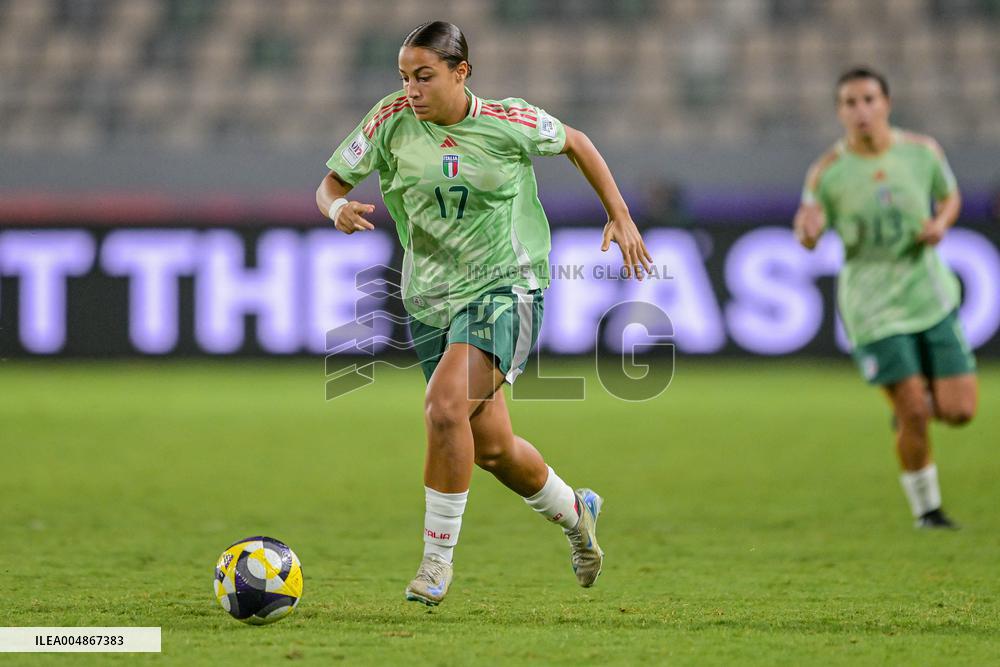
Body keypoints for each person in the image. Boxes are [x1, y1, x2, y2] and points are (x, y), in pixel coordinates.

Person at [316, 21, 652, 605]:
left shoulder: (508, 121)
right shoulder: (390, 120)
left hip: (507, 287)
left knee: (444, 407)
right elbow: (329, 185)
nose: (411, 90)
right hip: (429, 300)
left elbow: (577, 141)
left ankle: (435, 565)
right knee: (492, 448)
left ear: (459, 72)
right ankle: (578, 513)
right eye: (404, 77)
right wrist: (337, 208)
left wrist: (618, 214)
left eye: (424, 77)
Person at [794, 66, 977, 529]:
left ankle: (907, 411)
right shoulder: (828, 172)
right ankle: (928, 511)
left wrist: (941, 223)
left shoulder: (922, 152)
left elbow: (950, 196)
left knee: (959, 411)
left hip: (928, 292)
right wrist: (808, 233)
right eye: (850, 103)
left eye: (869, 100)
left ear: (887, 104)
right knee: (914, 410)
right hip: (873, 306)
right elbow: (809, 223)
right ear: (839, 112)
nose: (861, 110)